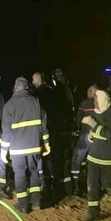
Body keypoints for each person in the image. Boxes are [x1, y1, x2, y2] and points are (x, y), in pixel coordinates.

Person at [0, 76, 49, 213]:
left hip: (17, 149)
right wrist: (46, 142)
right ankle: (36, 202)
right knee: (34, 173)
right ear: (27, 87)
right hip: (34, 146)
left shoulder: (9, 105)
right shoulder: (36, 101)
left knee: (20, 175)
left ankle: (22, 205)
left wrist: (4, 150)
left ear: (15, 88)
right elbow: (43, 125)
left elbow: (6, 131)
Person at [81, 89, 111, 221]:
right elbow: (96, 130)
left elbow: (109, 134)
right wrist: (91, 134)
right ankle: (93, 212)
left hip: (108, 158)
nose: (94, 103)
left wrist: (93, 125)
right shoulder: (96, 114)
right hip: (94, 157)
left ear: (103, 101)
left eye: (96, 101)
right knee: (92, 185)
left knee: (109, 185)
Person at [48, 68, 76, 198]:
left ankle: (59, 189)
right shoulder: (69, 89)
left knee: (58, 160)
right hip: (68, 128)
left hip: (58, 130)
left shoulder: (56, 91)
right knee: (67, 159)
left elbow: (54, 110)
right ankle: (70, 188)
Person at [71, 84, 98, 196]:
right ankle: (93, 186)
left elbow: (79, 118)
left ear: (91, 92)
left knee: (77, 159)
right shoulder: (101, 103)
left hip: (85, 134)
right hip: (97, 136)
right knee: (94, 161)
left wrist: (77, 128)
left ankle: (75, 186)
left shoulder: (84, 103)